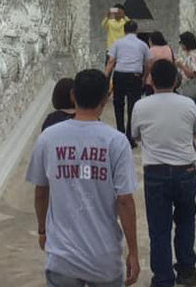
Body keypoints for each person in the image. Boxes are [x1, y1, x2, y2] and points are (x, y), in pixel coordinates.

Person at [27, 69, 140, 287]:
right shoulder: (115, 142)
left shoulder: (48, 138)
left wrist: (42, 230)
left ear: (73, 95)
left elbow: (41, 191)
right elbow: (125, 200)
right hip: (103, 256)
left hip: (62, 255)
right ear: (106, 99)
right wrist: (133, 251)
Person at [131, 60, 196, 287]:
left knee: (158, 228)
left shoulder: (141, 106)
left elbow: (136, 136)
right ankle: (187, 270)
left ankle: (162, 278)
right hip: (186, 171)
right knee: (185, 221)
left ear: (150, 80)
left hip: (156, 173)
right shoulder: (188, 103)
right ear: (176, 80)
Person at [105, 20, 151, 147]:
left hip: (119, 75)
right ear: (137, 30)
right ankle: (129, 137)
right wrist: (144, 78)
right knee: (133, 107)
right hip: (135, 76)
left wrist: (105, 77)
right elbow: (148, 64)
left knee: (118, 104)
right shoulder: (143, 45)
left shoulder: (117, 43)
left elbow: (111, 61)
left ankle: (119, 133)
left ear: (124, 31)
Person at [176, 31, 196, 156]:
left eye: (181, 42)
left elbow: (192, 74)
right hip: (195, 89)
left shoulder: (194, 56)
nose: (180, 45)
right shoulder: (191, 55)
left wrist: (181, 66)